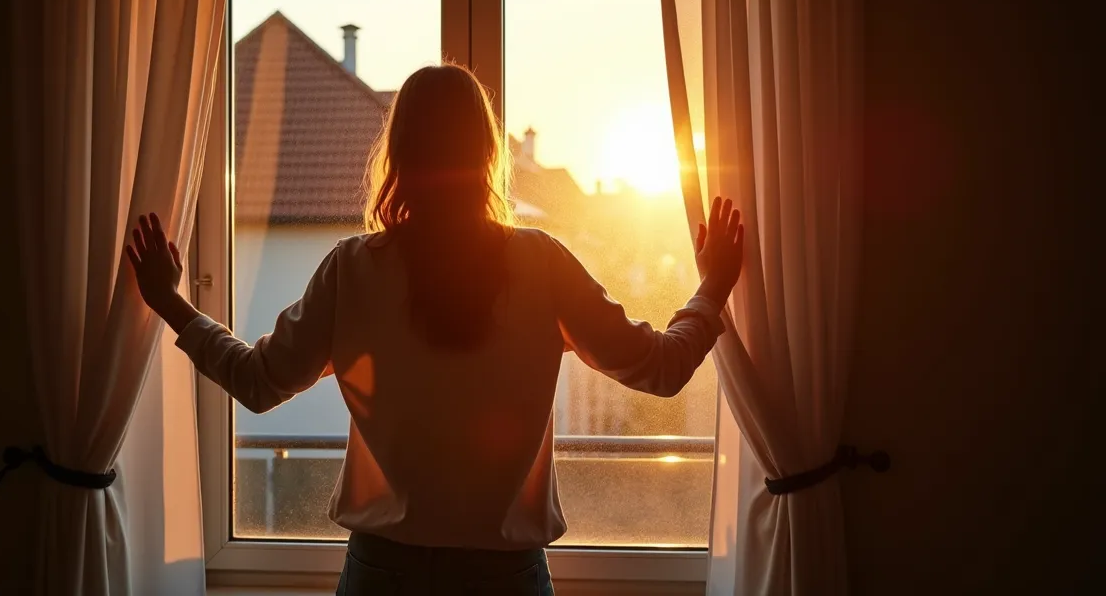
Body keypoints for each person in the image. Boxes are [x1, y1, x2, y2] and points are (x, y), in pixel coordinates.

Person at [126, 64, 743, 595]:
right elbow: (661, 369)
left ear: (400, 156)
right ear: (486, 153)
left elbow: (259, 383)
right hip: (504, 578)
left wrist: (172, 303)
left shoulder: (354, 269)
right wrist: (713, 286)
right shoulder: (540, 264)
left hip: (383, 574)